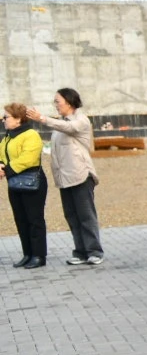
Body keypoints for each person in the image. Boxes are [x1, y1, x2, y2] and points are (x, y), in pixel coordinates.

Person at [28, 88, 102, 265]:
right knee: (72, 216)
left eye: (57, 101)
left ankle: (94, 251)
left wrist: (42, 119)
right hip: (64, 178)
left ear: (69, 102)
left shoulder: (80, 120)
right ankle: (80, 252)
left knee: (86, 216)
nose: (56, 105)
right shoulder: (59, 124)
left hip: (80, 176)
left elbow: (70, 128)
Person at [2, 103, 48, 269]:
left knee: (34, 219)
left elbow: (28, 158)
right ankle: (27, 253)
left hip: (32, 182)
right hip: (14, 182)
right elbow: (3, 153)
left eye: (6, 117)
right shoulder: (9, 136)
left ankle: (39, 255)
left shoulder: (31, 135)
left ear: (18, 119)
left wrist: (6, 170)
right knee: (20, 219)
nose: (3, 120)